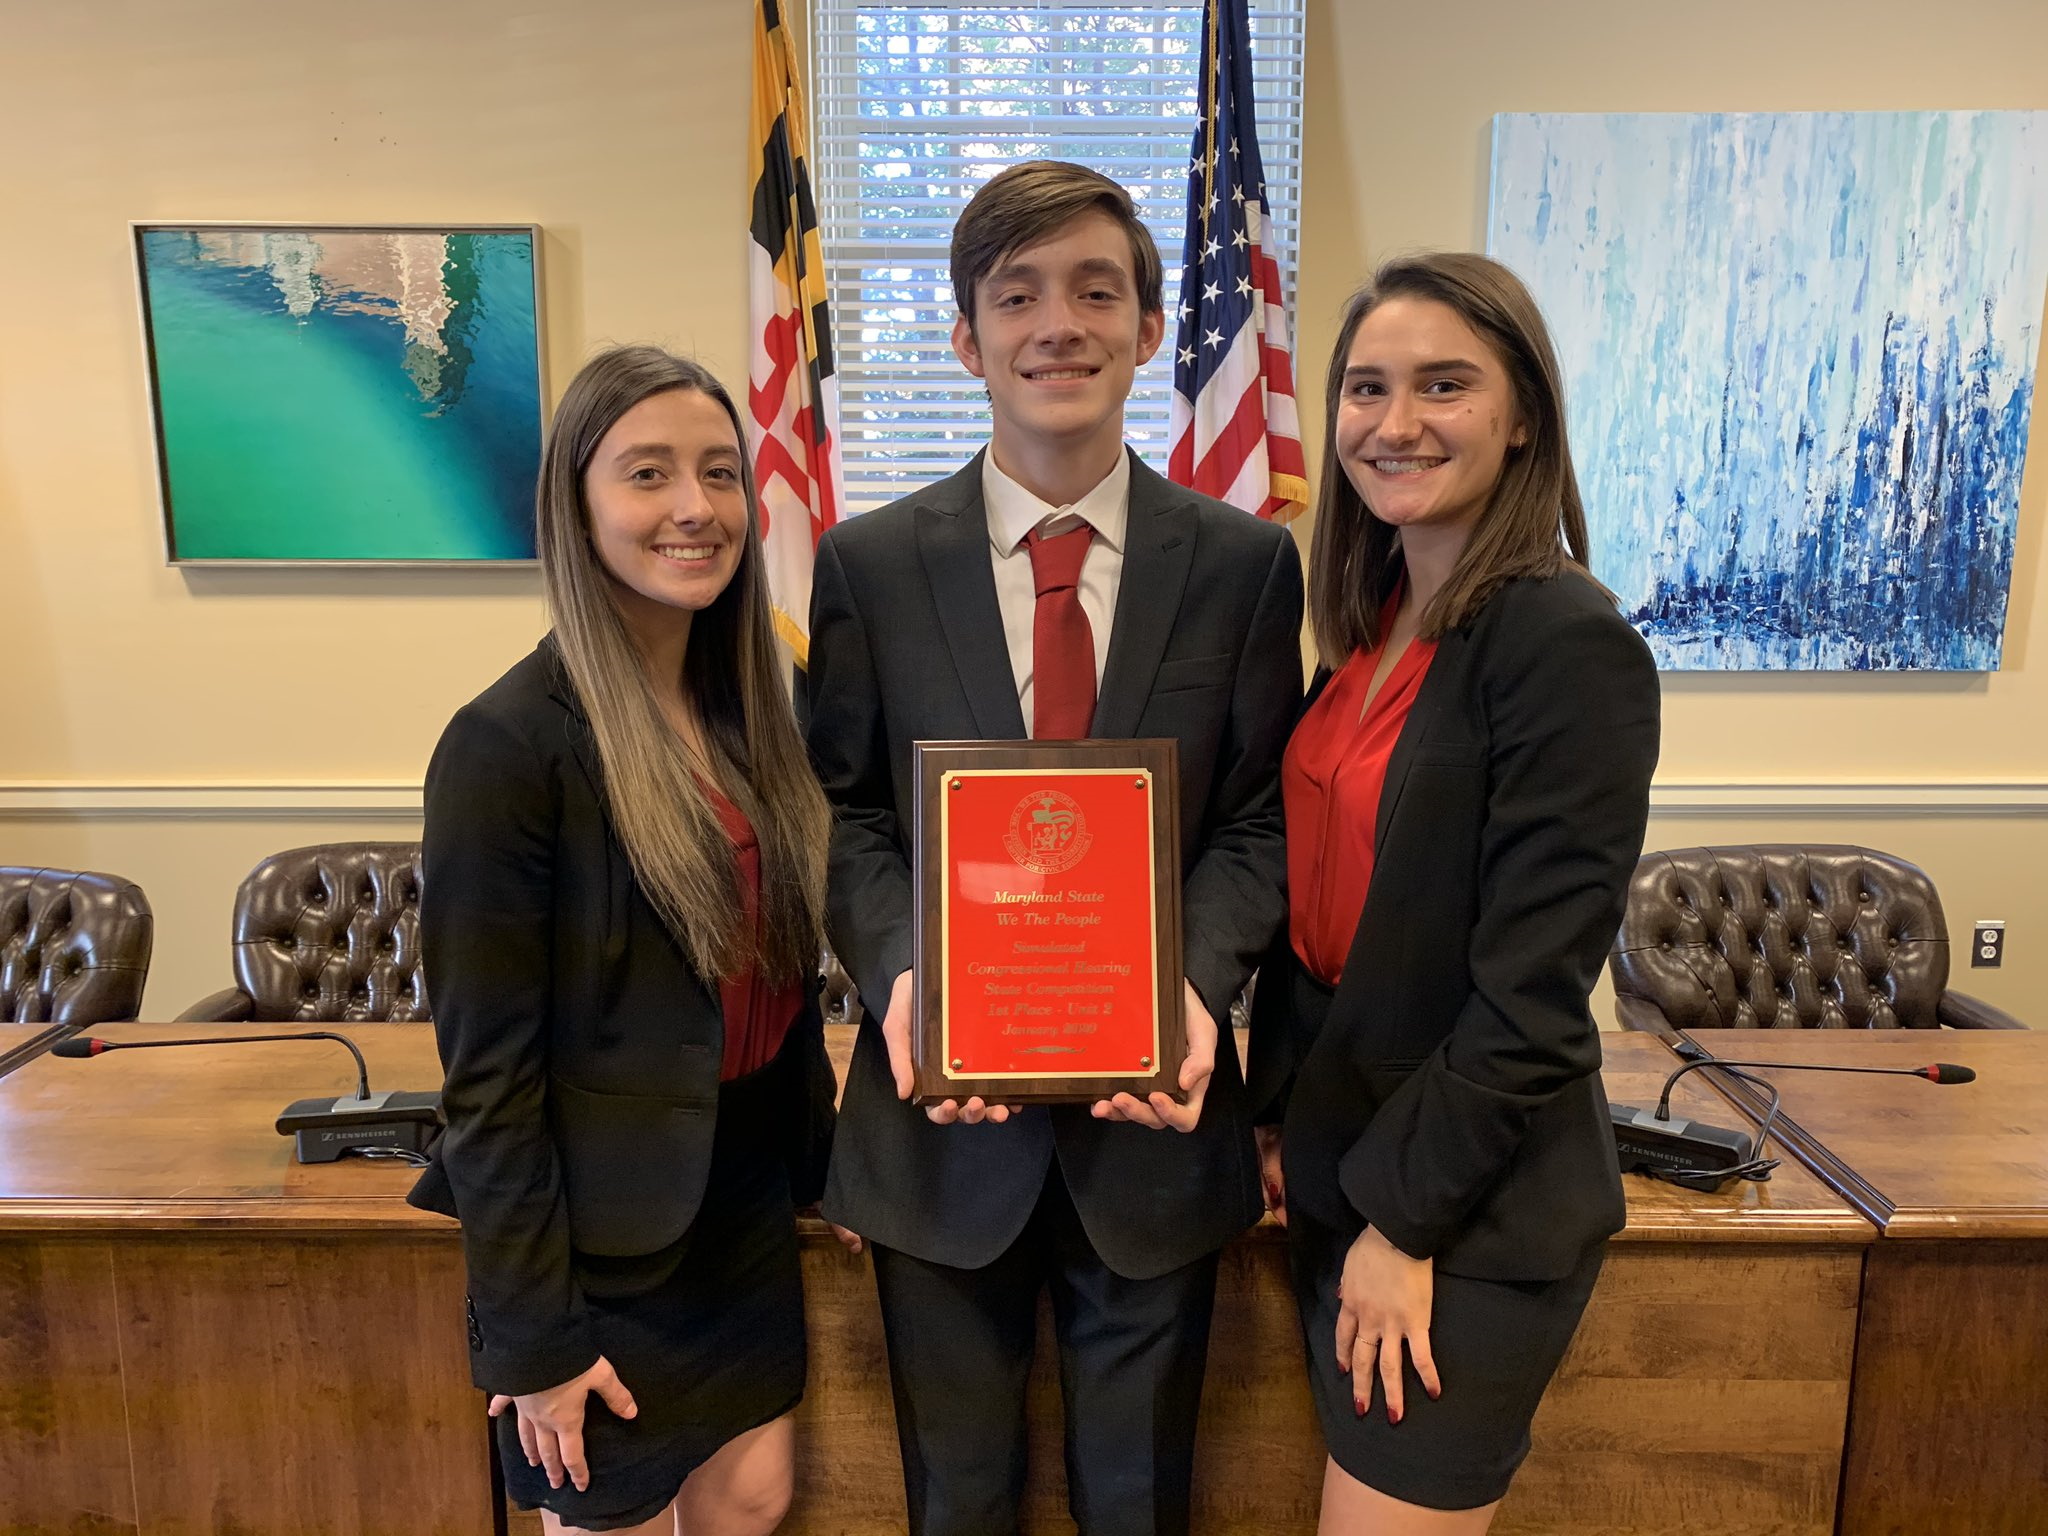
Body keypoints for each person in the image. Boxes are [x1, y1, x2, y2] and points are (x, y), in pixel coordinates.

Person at [804, 159, 1303, 1535]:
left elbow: (1259, 816)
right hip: (937, 1138)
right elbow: (839, 809)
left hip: (1155, 1135)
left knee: (1138, 1508)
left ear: (1149, 328)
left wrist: (1186, 985)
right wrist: (909, 980)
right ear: (968, 340)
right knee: (954, 1506)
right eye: (1016, 296)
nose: (1058, 325)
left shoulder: (1245, 566)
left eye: (1095, 291)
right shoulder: (869, 566)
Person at [1246, 253, 1660, 1534]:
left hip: (1461, 1213)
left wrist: (1402, 1226)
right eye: (1365, 387)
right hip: (1344, 1170)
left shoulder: (1564, 643)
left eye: (1442, 385)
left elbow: (1529, 996)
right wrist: (1275, 1118)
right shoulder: (1371, 627)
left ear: (1520, 413)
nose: (1395, 421)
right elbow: (1324, 926)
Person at [408, 345, 837, 1536]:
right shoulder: (506, 746)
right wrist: (533, 1339)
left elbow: (777, 981)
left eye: (718, 472)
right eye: (647, 473)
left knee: (752, 1496)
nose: (694, 507)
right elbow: (487, 1084)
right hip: (598, 1234)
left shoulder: (748, 711)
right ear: (577, 504)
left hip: (739, 1200)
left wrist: (832, 1170)